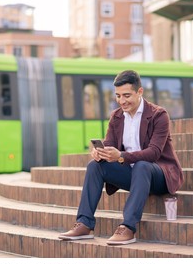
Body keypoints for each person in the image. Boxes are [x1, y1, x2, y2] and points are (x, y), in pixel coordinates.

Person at [58, 70, 184, 245]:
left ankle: (128, 227)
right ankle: (84, 224)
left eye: (126, 95)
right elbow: (110, 145)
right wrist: (100, 153)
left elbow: (154, 153)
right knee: (94, 166)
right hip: (133, 175)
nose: (122, 101)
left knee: (142, 165)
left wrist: (121, 156)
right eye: (117, 96)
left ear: (140, 92)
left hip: (159, 174)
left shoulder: (158, 115)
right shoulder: (116, 117)